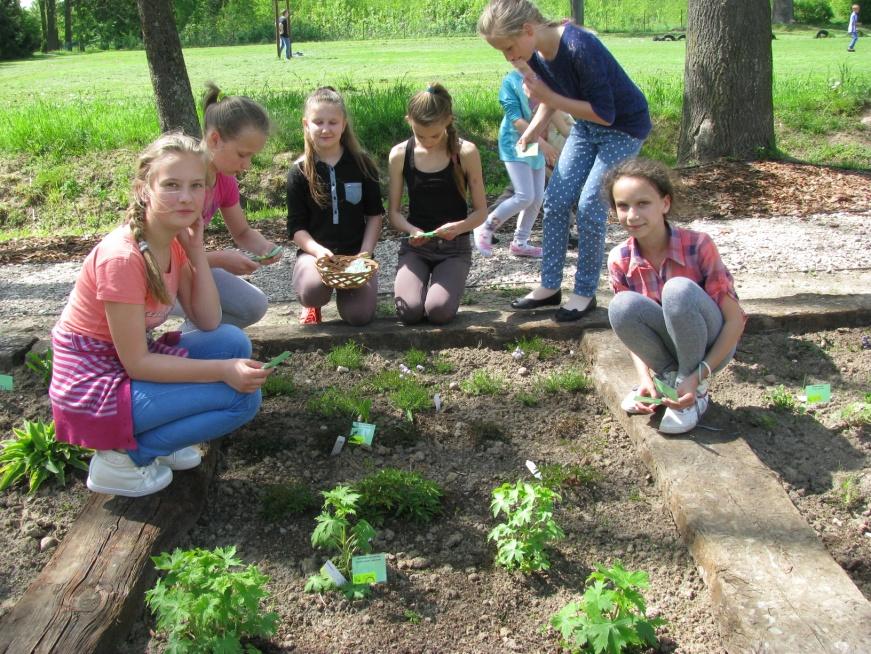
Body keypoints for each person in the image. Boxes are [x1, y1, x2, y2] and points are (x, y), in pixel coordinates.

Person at [48, 133, 269, 497]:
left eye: (196, 185)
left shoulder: (172, 241)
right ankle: (125, 457)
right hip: (94, 390)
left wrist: (197, 251)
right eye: (171, 185)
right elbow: (137, 363)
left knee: (231, 340)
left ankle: (158, 436)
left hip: (121, 372)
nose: (186, 196)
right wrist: (222, 371)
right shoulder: (122, 257)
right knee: (241, 399)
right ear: (143, 189)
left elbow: (209, 321)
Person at [479, 0, 651, 322]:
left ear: (528, 30)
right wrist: (533, 131)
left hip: (622, 129)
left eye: (509, 47)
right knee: (555, 199)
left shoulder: (578, 46)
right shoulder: (537, 54)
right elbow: (552, 99)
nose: (509, 56)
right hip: (588, 127)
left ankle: (585, 293)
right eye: (502, 51)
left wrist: (550, 100)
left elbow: (604, 112)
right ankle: (549, 286)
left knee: (589, 206)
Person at [604, 158, 746, 434]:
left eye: (643, 203)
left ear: (665, 204)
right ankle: (668, 383)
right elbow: (633, 330)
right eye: (623, 206)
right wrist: (644, 378)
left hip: (711, 348)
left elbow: (735, 320)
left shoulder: (698, 245)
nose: (632, 215)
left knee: (678, 290)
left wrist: (697, 375)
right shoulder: (619, 259)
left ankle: (693, 391)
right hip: (669, 351)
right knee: (620, 307)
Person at [388, 83, 487, 325]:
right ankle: (419, 289)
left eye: (435, 135)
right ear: (408, 120)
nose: (428, 141)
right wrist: (411, 230)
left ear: (448, 121)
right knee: (408, 312)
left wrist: (460, 227)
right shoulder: (401, 154)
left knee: (438, 311)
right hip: (416, 247)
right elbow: (394, 213)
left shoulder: (465, 152)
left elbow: (482, 212)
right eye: (420, 134)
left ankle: (439, 293)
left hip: (454, 249)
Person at [287, 87, 384, 326]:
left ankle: (352, 295)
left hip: (355, 256)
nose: (325, 128)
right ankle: (313, 306)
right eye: (318, 121)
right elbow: (296, 228)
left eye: (333, 122)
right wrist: (318, 251)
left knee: (359, 317)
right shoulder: (299, 171)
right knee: (313, 291)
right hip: (315, 255)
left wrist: (365, 254)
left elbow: (374, 215)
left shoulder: (362, 164)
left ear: (344, 124)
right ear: (306, 124)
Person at [194, 83, 278, 330]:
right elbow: (166, 259)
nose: (247, 165)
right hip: (153, 275)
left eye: (251, 156)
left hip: (189, 267)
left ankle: (187, 343)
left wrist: (264, 248)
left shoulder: (224, 179)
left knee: (252, 306)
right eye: (242, 154)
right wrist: (220, 259)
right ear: (215, 139)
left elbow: (241, 233)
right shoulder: (184, 181)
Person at [473, 69, 557, 258]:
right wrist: (544, 145)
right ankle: (485, 227)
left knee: (536, 198)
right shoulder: (511, 81)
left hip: (534, 143)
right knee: (524, 196)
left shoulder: (544, 76)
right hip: (515, 142)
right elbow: (516, 119)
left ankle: (520, 243)